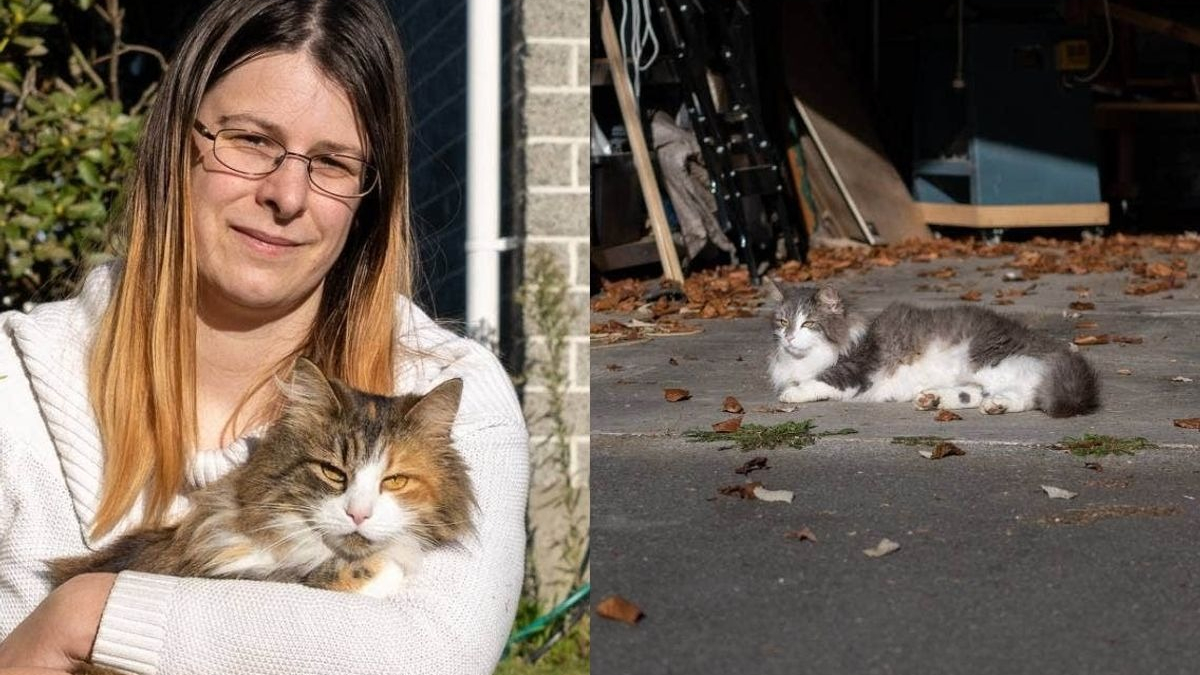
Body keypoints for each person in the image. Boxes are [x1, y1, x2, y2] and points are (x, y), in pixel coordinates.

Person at [0, 0, 528, 673]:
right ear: (176, 143)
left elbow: (433, 654)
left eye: (332, 163)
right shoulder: (12, 386)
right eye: (251, 140)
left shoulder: (451, 389)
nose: (286, 194)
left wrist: (85, 615)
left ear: (368, 197)